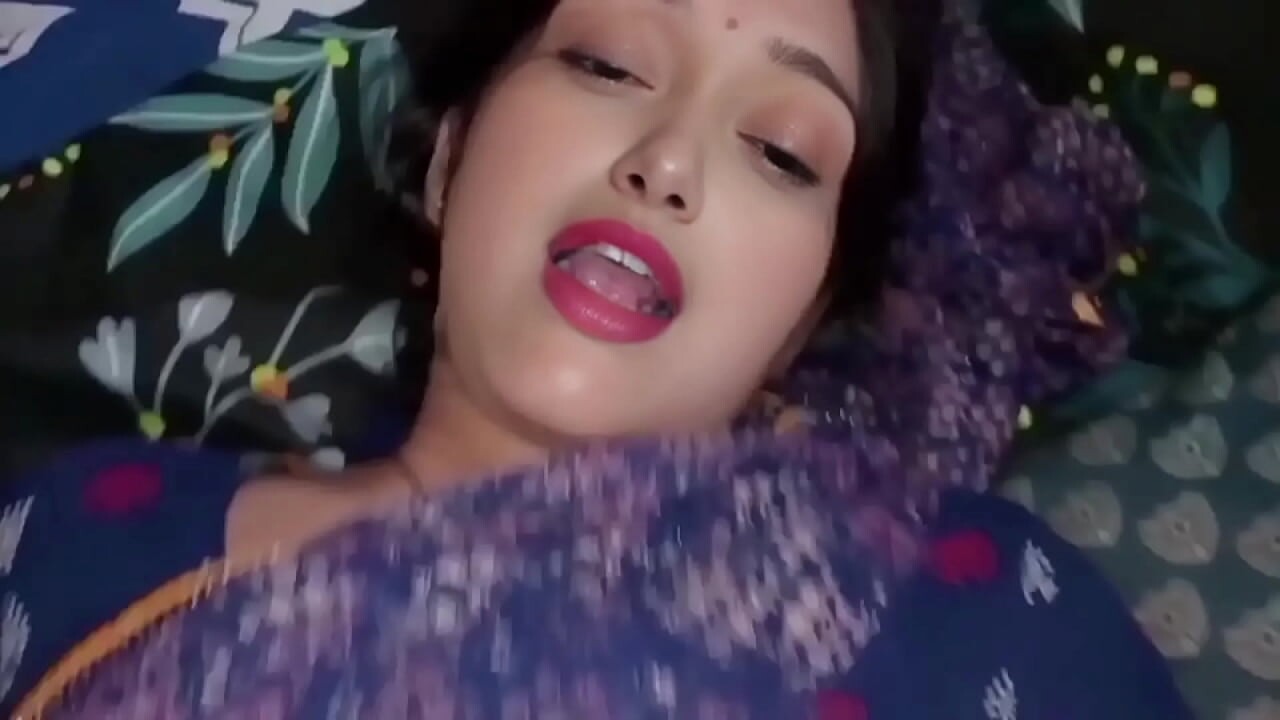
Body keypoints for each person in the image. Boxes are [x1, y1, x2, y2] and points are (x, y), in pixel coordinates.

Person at [2, 0, 1188, 716]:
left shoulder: (976, 605)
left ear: (808, 317)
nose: (666, 161)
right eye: (607, 65)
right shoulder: (89, 531)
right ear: (447, 162)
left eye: (780, 150)